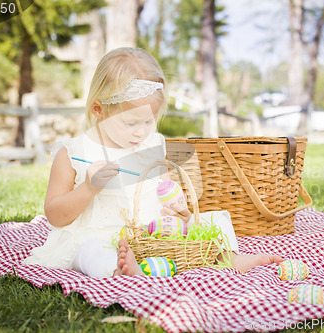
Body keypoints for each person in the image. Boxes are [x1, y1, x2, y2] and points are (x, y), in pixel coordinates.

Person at [23, 47, 282, 278]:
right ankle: (120, 268)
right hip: (101, 236)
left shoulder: (151, 145)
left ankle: (228, 258)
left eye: (149, 122)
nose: (140, 132)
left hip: (155, 235)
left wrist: (179, 210)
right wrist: (88, 188)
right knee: (90, 252)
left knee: (213, 221)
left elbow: (165, 193)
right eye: (130, 123)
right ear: (98, 109)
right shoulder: (73, 153)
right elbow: (55, 216)